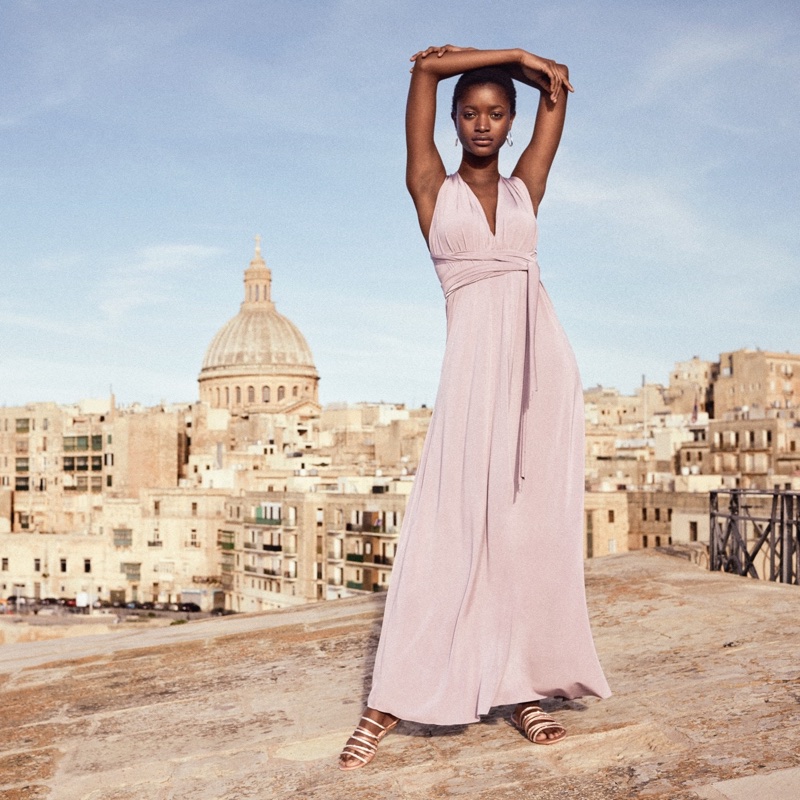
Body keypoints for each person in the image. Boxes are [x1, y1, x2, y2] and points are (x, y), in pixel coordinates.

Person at [339, 45, 611, 771]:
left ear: (511, 122)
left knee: (528, 534)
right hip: (469, 377)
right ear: (455, 121)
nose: (482, 124)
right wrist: (517, 56)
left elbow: (560, 98)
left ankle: (519, 687)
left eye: (496, 113)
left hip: (540, 370)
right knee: (446, 530)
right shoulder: (431, 186)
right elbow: (424, 71)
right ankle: (388, 699)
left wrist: (538, 79)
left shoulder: (527, 188)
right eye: (471, 113)